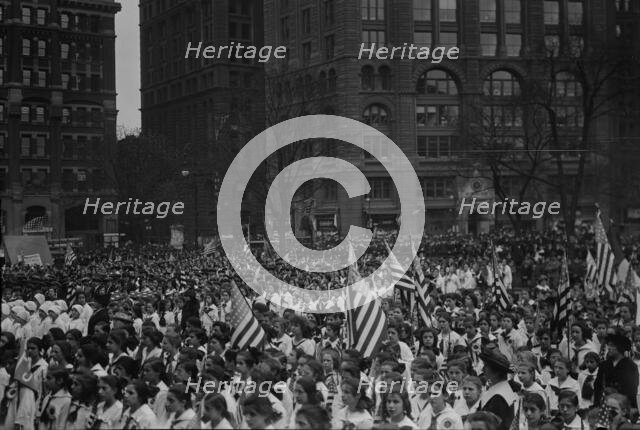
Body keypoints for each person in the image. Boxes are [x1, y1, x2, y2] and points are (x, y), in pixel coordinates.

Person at [594, 333, 639, 408]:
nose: (609, 348)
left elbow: (632, 391)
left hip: (623, 406)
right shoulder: (604, 365)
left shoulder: (631, 366)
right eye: (608, 345)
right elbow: (597, 386)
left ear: (620, 347)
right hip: (604, 405)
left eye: (612, 345)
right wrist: (597, 404)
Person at [478, 349, 518, 430]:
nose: (482, 369)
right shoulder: (502, 388)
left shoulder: (499, 397)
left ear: (497, 372)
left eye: (486, 366)